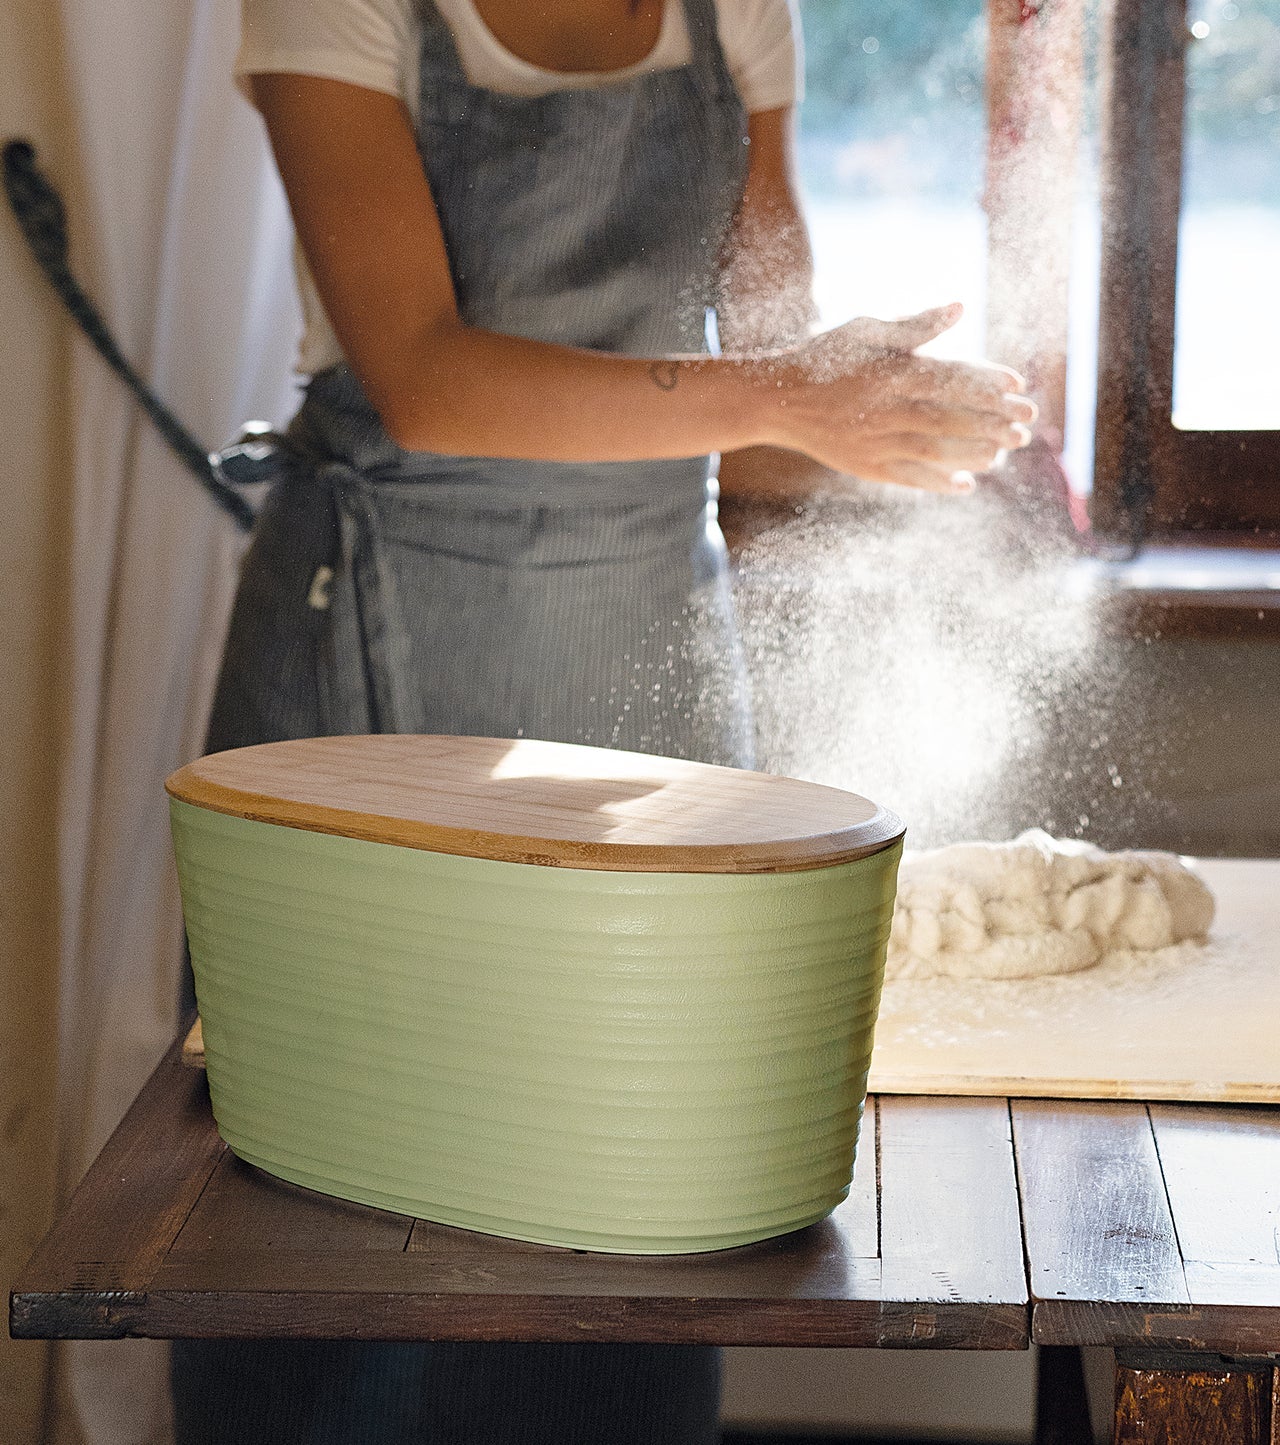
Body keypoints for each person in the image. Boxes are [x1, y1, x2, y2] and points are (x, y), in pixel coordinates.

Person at [173, 0, 1036, 1439]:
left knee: (641, 1179)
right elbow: (429, 381)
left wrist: (899, 411)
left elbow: (755, 403)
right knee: (327, 1198)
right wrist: (789, 391)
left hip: (647, 645)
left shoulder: (734, 16)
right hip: (379, 653)